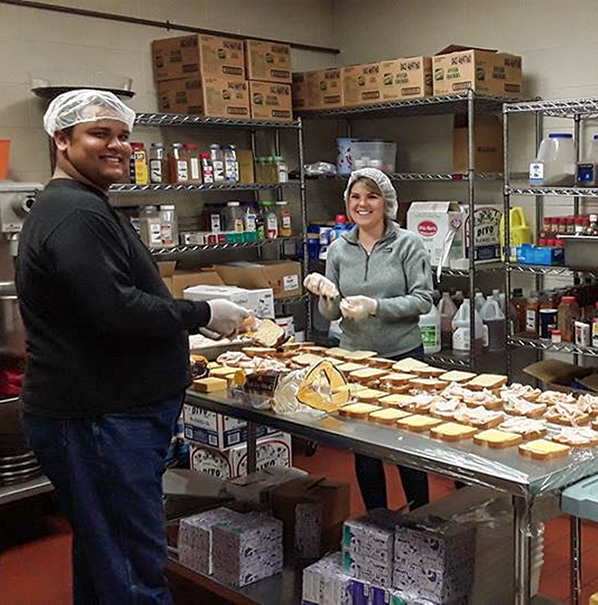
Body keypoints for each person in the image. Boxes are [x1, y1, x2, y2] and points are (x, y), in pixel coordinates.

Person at [17, 89, 250, 604]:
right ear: (61, 139)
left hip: (106, 417)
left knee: (104, 552)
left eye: (124, 135)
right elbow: (115, 311)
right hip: (99, 421)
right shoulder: (76, 214)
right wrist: (204, 312)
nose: (119, 145)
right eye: (101, 133)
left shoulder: (82, 206)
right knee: (131, 563)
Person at [304, 167, 435, 511]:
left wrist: (375, 306)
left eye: (371, 196)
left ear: (386, 202)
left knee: (407, 442)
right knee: (363, 446)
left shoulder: (408, 244)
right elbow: (330, 316)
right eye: (355, 197)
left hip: (402, 357)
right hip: (354, 360)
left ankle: (421, 516)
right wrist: (326, 295)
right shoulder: (338, 249)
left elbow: (423, 299)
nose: (362, 204)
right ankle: (376, 521)